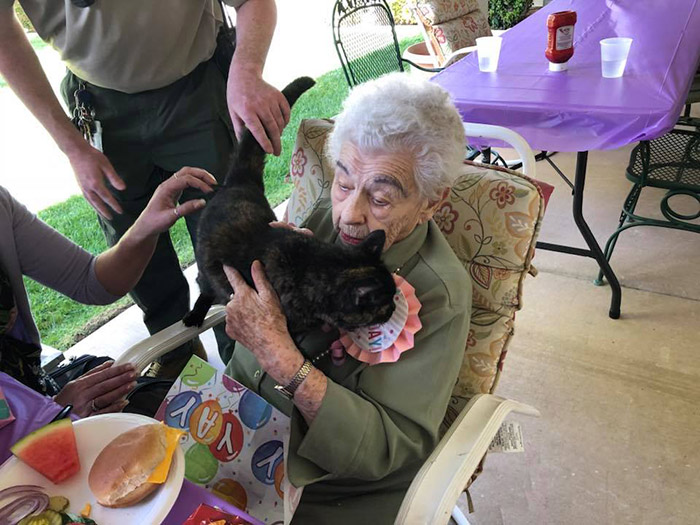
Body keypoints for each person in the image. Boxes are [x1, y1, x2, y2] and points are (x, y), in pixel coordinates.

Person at [222, 74, 473, 523]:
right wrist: (260, 267)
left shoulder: (439, 293)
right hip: (231, 424)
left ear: (432, 202)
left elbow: (388, 445)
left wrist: (281, 356)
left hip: (327, 489)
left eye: (379, 197)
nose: (349, 214)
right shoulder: (326, 218)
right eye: (343, 183)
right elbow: (247, 313)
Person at [0, 0, 288, 376]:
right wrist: (72, 146)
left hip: (195, 89)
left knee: (231, 242)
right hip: (99, 104)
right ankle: (177, 362)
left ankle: (251, 363)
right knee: (136, 247)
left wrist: (247, 71)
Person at [0, 168, 217, 418]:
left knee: (183, 412)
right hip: (19, 436)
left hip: (37, 393)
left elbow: (90, 281)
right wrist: (52, 417)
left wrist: (146, 226)